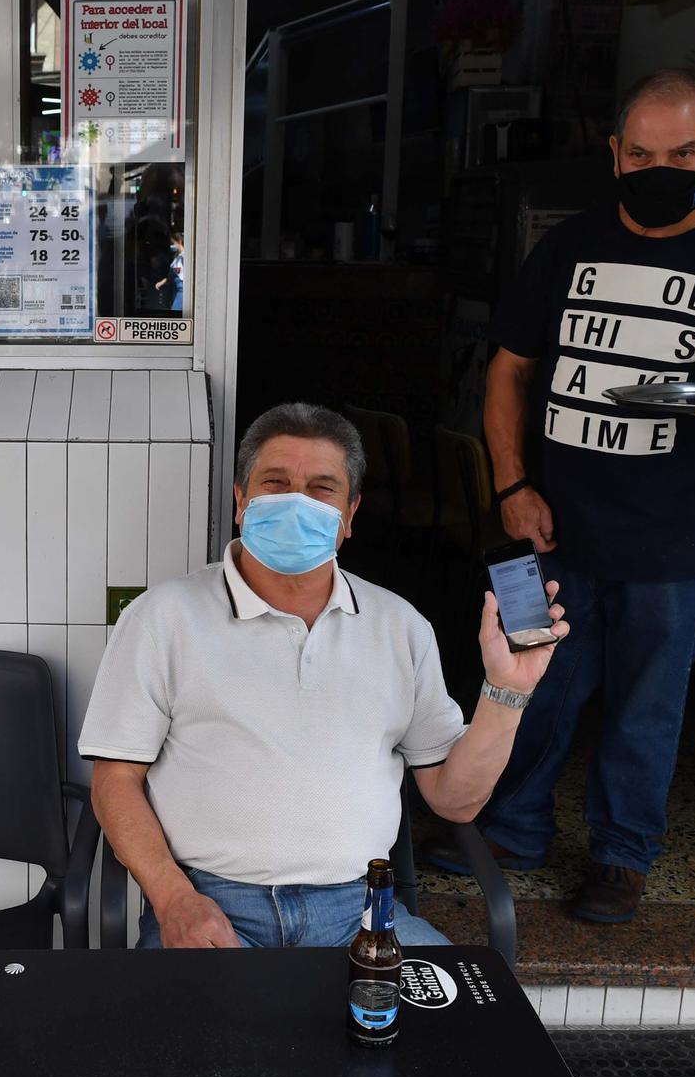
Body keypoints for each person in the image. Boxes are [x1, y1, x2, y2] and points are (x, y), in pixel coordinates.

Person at [442, 68, 695, 923]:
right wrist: (512, 485)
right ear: (614, 153)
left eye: (681, 151)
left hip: (675, 539)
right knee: (536, 686)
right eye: (640, 152)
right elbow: (509, 372)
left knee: (648, 704)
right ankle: (514, 826)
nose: (659, 166)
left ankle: (622, 855)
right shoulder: (568, 246)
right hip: (551, 527)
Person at [78, 402, 569, 950]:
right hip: (212, 908)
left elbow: (455, 802)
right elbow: (114, 782)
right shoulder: (162, 617)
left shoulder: (400, 626)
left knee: (466, 1031)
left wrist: (510, 689)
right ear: (241, 501)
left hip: (364, 913)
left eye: (321, 488)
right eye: (275, 482)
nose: (297, 501)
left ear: (350, 515)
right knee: (198, 1039)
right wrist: (175, 901)